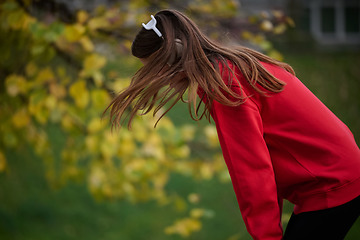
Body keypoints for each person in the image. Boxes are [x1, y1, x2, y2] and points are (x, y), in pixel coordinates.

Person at [104, 9, 360, 240]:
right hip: (339, 174)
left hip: (331, 183)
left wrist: (266, 236)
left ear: (178, 54)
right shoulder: (233, 66)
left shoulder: (226, 86)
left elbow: (251, 170)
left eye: (158, 71)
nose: (165, 83)